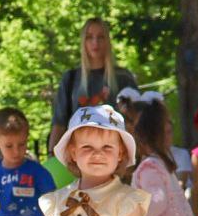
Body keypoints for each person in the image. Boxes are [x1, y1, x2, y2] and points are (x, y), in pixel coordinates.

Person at [48, 18, 139, 154]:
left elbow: (138, 121)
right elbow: (59, 123)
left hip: (118, 155)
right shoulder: (71, 78)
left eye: (100, 37)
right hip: (80, 156)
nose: (95, 42)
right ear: (83, 42)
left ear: (107, 41)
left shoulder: (123, 77)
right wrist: (52, 155)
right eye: (89, 37)